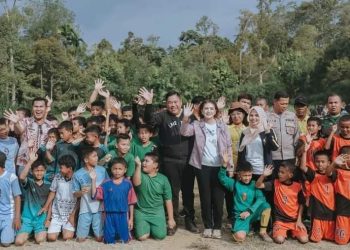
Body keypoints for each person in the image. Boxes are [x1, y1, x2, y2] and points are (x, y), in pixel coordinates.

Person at [141, 88, 191, 232]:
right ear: (166, 104)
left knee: (188, 192)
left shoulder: (189, 115)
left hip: (188, 160)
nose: (173, 105)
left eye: (175, 102)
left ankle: (189, 219)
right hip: (169, 160)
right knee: (172, 192)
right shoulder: (162, 115)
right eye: (170, 102)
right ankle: (172, 221)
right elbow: (149, 121)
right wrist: (149, 103)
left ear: (180, 102)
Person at [180, 100, 232, 239]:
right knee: (205, 198)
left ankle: (217, 227)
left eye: (211, 108)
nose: (208, 111)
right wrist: (185, 118)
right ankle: (208, 226)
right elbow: (184, 132)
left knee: (218, 198)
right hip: (202, 166)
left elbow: (228, 146)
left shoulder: (222, 125)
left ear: (216, 110)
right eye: (206, 109)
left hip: (220, 166)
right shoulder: (197, 125)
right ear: (201, 111)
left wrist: (229, 166)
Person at [218, 151, 272, 242]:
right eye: (245, 175)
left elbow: (261, 199)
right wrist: (224, 164)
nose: (247, 178)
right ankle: (244, 227)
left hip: (251, 213)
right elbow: (222, 178)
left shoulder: (255, 184)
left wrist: (249, 211)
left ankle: (263, 232)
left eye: (249, 175)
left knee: (266, 206)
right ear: (239, 174)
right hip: (241, 215)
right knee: (240, 238)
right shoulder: (234, 184)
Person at [256, 163, 308, 244]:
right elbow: (258, 185)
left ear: (290, 175)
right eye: (279, 172)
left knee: (304, 239)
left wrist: (299, 220)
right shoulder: (275, 183)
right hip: (280, 221)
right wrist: (263, 175)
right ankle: (280, 231)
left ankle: (292, 232)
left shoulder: (298, 186)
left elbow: (301, 203)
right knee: (279, 240)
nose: (279, 174)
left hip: (294, 221)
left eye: (282, 172)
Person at [91, 157, 137, 244]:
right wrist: (93, 180)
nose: (117, 171)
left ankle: (125, 235)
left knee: (125, 240)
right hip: (109, 215)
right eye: (115, 168)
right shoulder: (106, 183)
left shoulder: (128, 183)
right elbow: (95, 195)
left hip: (123, 214)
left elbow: (131, 202)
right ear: (111, 169)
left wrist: (131, 219)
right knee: (108, 241)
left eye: (120, 169)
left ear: (125, 170)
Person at [4, 97, 55, 174]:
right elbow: (19, 131)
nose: (38, 109)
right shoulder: (25, 121)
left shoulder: (51, 125)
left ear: (46, 108)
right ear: (32, 108)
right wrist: (16, 123)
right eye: (36, 106)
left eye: (41, 106)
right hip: (24, 163)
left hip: (44, 165)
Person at [132, 152, 176, 240]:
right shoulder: (140, 175)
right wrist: (138, 166)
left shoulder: (163, 179)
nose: (143, 163)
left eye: (147, 161)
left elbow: (168, 200)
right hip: (141, 211)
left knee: (160, 236)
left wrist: (171, 219)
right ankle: (143, 227)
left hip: (157, 212)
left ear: (155, 165)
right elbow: (136, 183)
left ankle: (151, 227)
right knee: (142, 237)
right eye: (143, 161)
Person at [15, 149, 50, 246]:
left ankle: (35, 233)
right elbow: (22, 177)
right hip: (27, 219)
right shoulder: (30, 182)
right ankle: (28, 232)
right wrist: (30, 161)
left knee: (40, 240)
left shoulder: (48, 185)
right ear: (32, 171)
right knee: (18, 242)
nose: (39, 173)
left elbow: (50, 202)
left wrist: (48, 218)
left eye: (42, 170)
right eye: (36, 171)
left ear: (45, 171)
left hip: (40, 219)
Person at [73, 147, 109, 242]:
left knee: (99, 238)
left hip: (99, 208)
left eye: (97, 156)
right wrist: (81, 192)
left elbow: (108, 186)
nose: (97, 158)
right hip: (85, 209)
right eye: (94, 156)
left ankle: (97, 233)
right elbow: (74, 194)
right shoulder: (77, 174)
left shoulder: (102, 170)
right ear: (86, 160)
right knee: (80, 239)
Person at [299, 149, 335, 242]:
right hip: (317, 214)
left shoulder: (333, 174)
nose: (320, 164)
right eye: (317, 162)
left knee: (332, 238)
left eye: (323, 162)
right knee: (315, 239)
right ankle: (308, 226)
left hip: (331, 213)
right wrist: (305, 151)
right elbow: (303, 167)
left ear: (328, 163)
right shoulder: (313, 174)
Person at [40, 155, 78, 242]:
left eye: (61, 167)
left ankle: (64, 230)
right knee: (51, 238)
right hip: (57, 214)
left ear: (70, 168)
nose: (59, 169)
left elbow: (79, 199)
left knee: (67, 237)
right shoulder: (57, 177)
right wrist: (46, 207)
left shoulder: (77, 178)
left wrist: (73, 215)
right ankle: (59, 229)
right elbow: (52, 192)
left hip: (69, 214)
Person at [237, 106, 279, 180]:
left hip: (264, 171)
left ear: (262, 116)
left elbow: (275, 147)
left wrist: (268, 133)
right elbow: (240, 152)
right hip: (248, 171)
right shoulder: (245, 132)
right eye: (251, 115)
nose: (253, 118)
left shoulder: (267, 130)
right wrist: (239, 170)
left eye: (257, 115)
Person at [268, 91, 299, 176]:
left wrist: (297, 156)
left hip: (290, 157)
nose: (285, 106)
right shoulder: (266, 116)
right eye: (282, 104)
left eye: (287, 104)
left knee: (289, 183)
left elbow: (296, 138)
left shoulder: (292, 116)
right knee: (273, 183)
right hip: (273, 158)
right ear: (274, 101)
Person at [326, 147, 350, 245]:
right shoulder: (338, 172)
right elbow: (328, 173)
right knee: (341, 241)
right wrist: (334, 163)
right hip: (343, 212)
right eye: (345, 158)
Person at [0, 151, 21, 247]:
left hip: (9, 215)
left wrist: (16, 218)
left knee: (5, 243)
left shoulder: (11, 177)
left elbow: (17, 198)